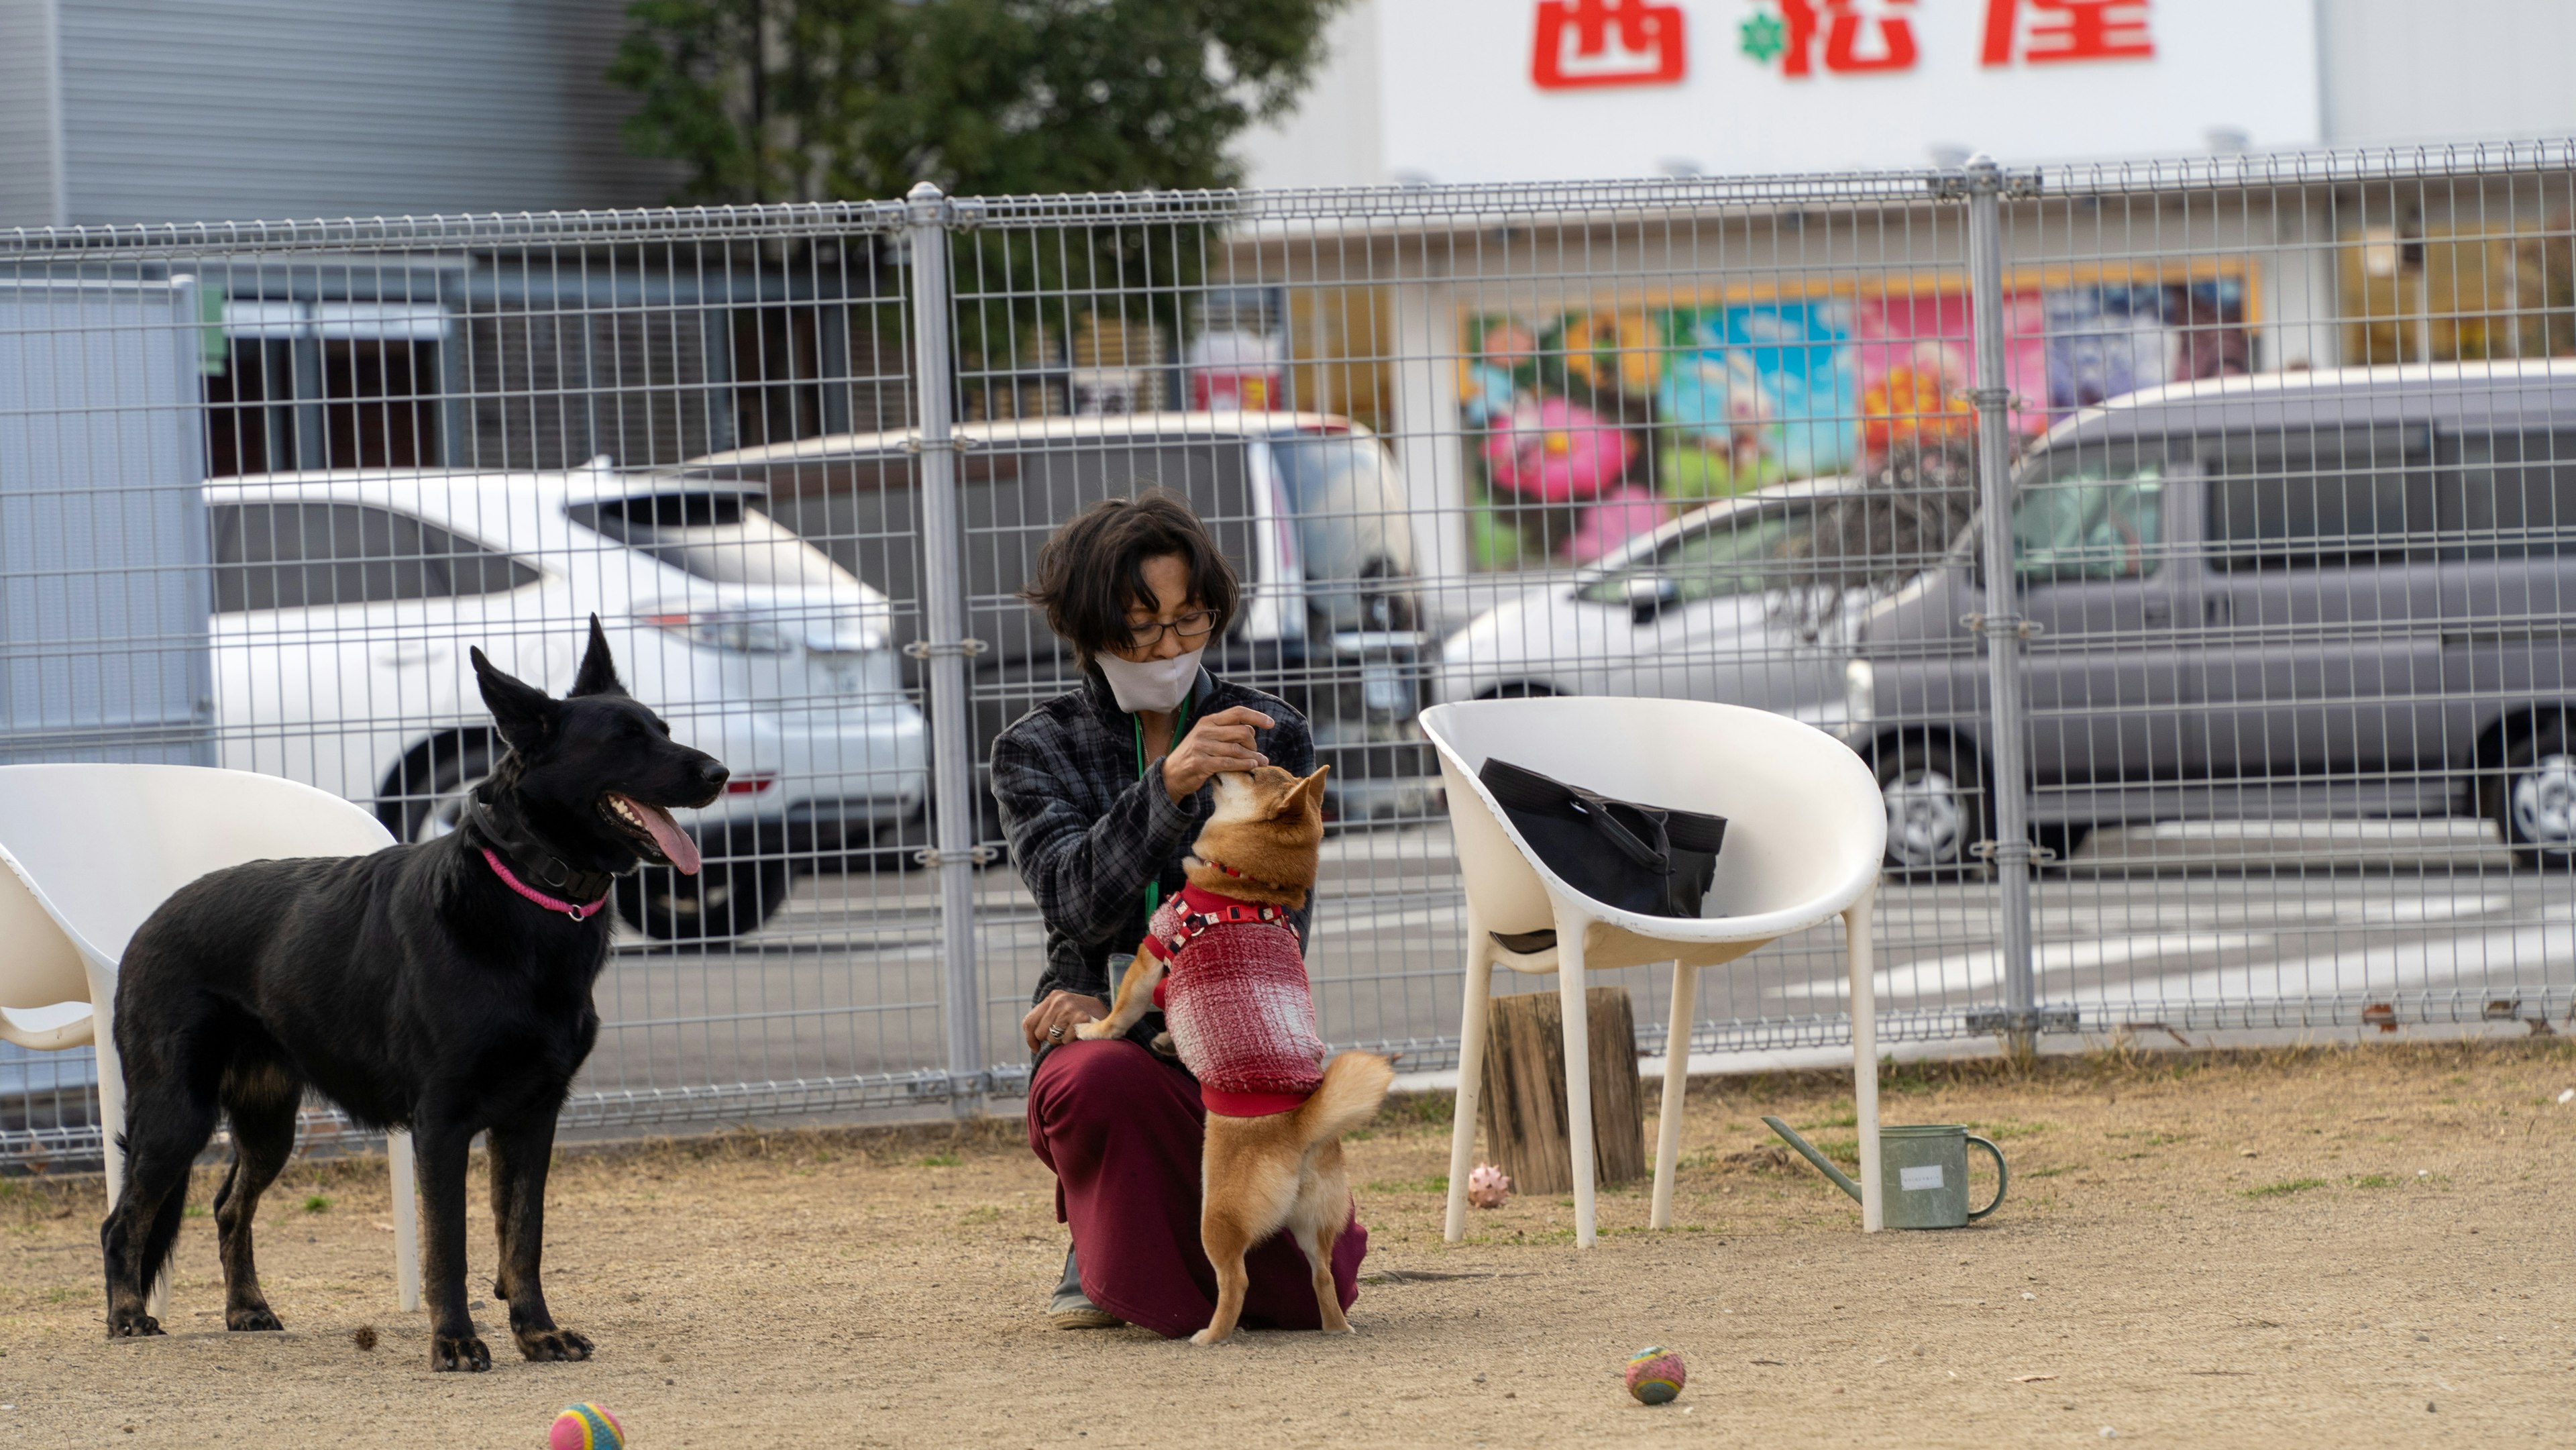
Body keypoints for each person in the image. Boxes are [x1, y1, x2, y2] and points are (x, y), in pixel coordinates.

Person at [990, 490, 1366, 1337]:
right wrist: (1166, 786)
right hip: (1106, 1034)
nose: (1170, 646)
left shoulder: (1273, 730)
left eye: (1190, 619)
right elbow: (1071, 897)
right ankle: (1101, 1245)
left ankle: (1155, 1243)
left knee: (1312, 1296)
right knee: (1097, 1077)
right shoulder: (1034, 746)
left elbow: (1281, 926)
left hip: (1241, 1037)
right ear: (1089, 626)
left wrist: (1136, 997)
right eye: (1141, 624)